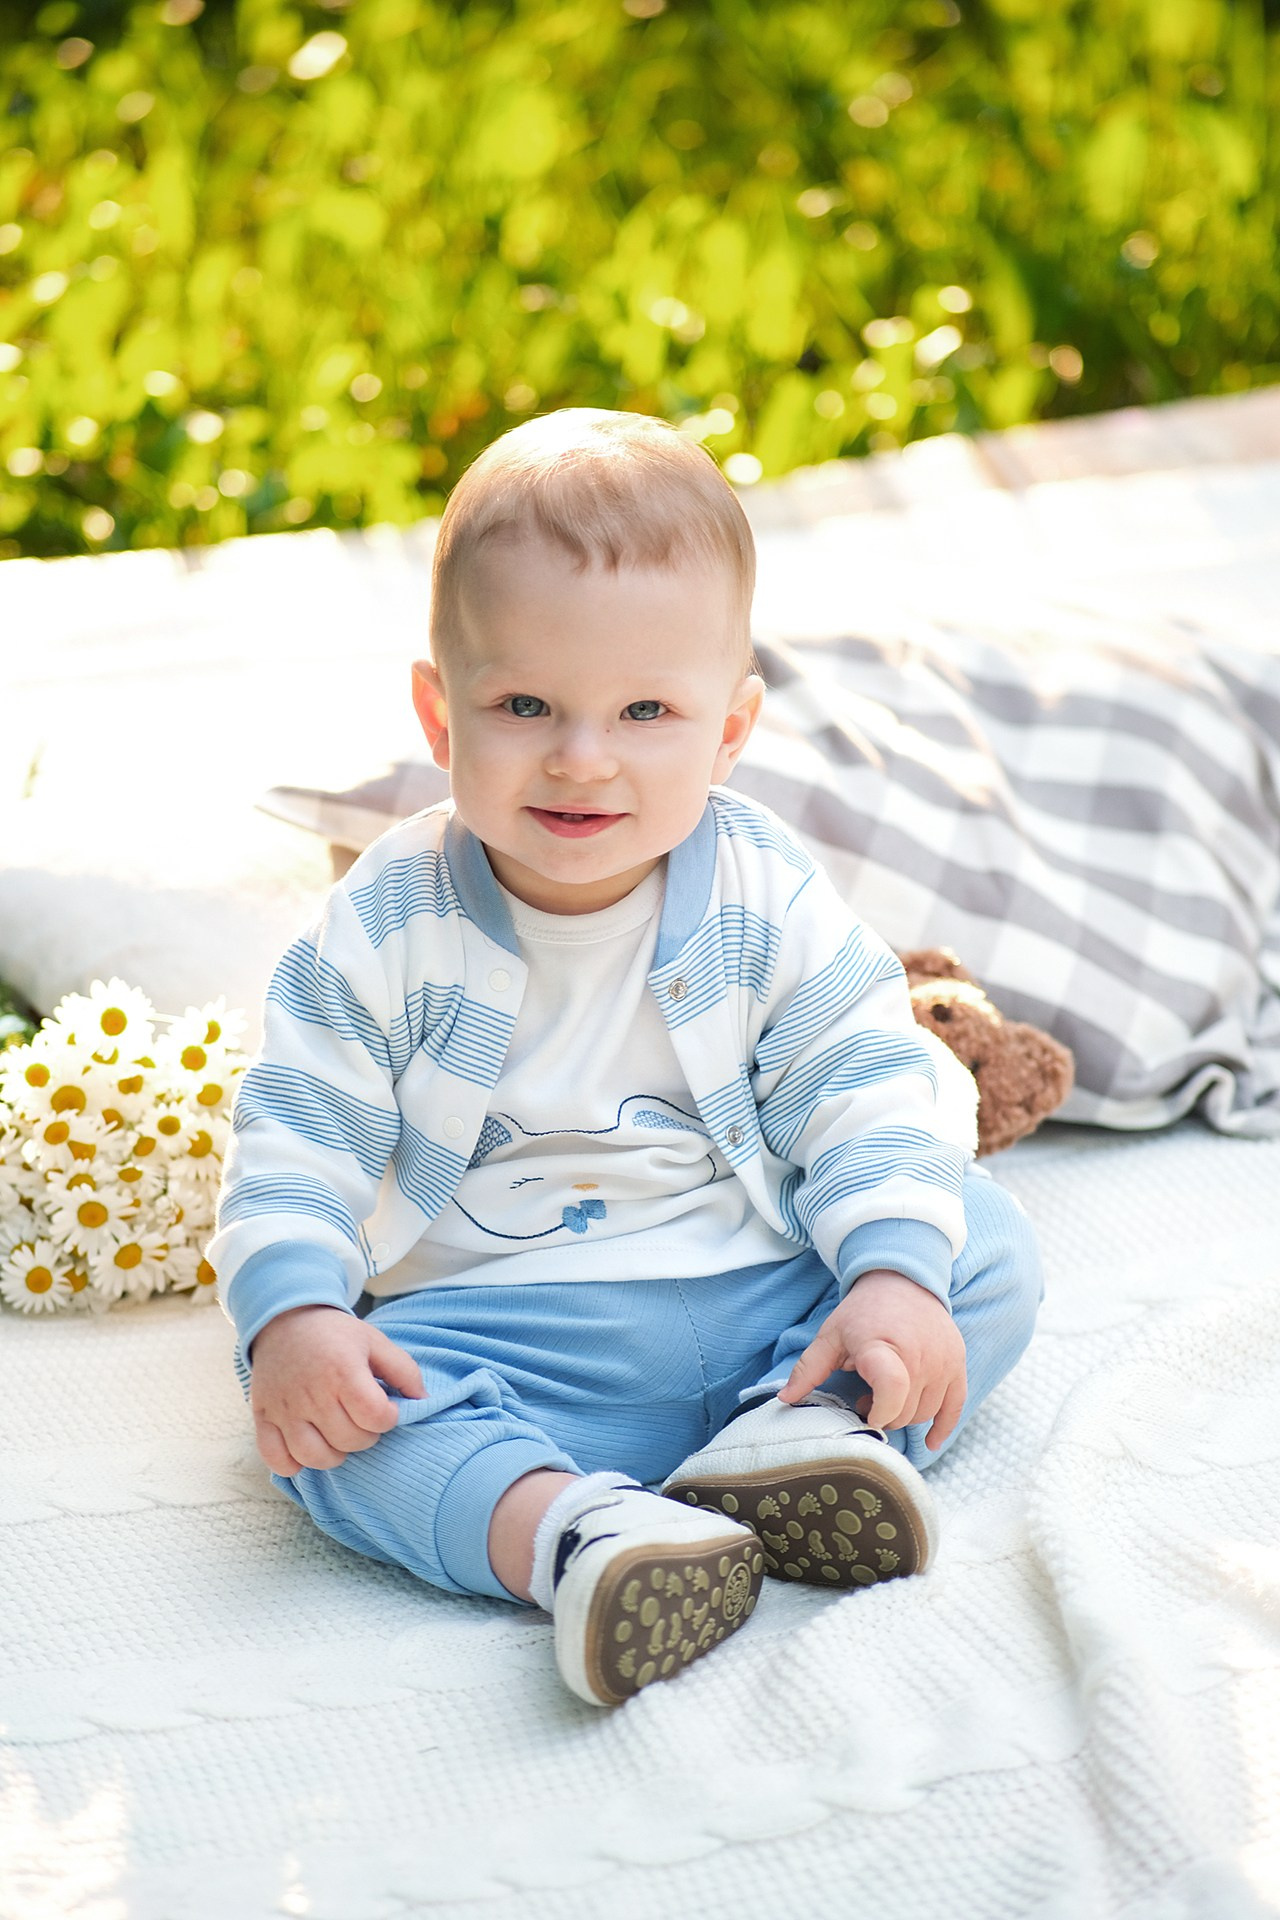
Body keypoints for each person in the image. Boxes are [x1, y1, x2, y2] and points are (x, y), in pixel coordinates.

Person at [210, 408, 1042, 1708]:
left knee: (977, 1252)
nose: (582, 757)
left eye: (647, 709)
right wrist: (300, 1317)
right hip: (514, 1339)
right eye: (524, 703)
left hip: (771, 1291)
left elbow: (860, 1079)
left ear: (728, 729)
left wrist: (887, 1276)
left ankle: (810, 1436)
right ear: (440, 711)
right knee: (320, 1426)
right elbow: (299, 1128)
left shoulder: (760, 889)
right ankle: (578, 1535)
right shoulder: (386, 917)